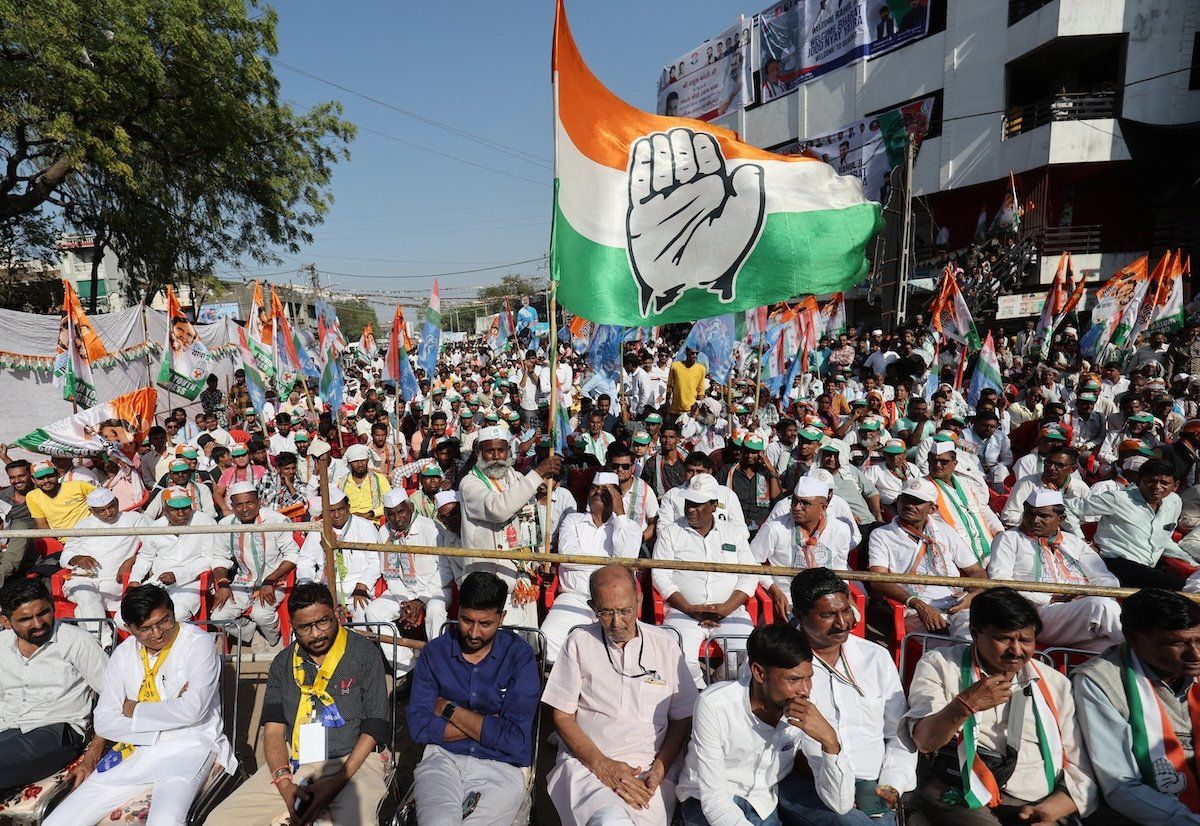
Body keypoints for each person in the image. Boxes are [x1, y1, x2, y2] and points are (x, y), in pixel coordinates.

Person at [46, 585, 236, 826]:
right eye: (145, 629)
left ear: (172, 611)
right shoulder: (123, 654)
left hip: (188, 747)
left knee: (166, 822)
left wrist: (133, 709)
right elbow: (104, 722)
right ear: (130, 628)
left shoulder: (198, 643)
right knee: (57, 822)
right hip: (135, 752)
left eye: (164, 621)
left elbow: (193, 710)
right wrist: (169, 712)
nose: (157, 633)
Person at [905, 587, 1096, 824]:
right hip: (962, 793)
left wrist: (1049, 811)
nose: (1016, 651)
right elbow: (925, 741)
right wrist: (965, 705)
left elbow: (1081, 768)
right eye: (1004, 639)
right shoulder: (940, 665)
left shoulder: (1055, 683)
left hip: (1040, 803)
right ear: (976, 634)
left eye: (1026, 640)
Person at [206, 583, 390, 825]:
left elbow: (375, 726)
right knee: (219, 820)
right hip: (296, 761)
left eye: (323, 622)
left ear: (335, 614)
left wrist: (334, 783)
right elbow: (273, 730)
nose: (316, 634)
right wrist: (284, 785)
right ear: (292, 626)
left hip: (355, 762)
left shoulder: (363, 653)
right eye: (305, 627)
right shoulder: (283, 663)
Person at [542, 566, 697, 825]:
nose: (617, 623)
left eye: (625, 611)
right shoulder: (579, 641)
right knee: (608, 820)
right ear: (592, 607)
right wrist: (602, 766)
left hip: (649, 772)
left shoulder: (665, 645)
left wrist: (660, 768)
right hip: (588, 766)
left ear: (639, 600)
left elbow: (683, 717)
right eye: (606, 612)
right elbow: (562, 714)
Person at [675, 623, 854, 824]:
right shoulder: (715, 705)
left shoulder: (807, 707)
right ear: (759, 673)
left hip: (767, 800)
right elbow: (714, 801)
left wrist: (830, 742)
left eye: (809, 678)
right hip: (705, 802)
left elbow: (841, 804)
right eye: (793, 680)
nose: (804, 690)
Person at [406, 571, 541, 824]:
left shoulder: (519, 656)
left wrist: (449, 709)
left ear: (502, 618)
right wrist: (489, 723)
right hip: (441, 760)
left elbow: (515, 739)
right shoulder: (435, 653)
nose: (474, 633)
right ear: (457, 611)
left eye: (485, 624)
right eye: (467, 620)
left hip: (501, 767)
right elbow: (419, 728)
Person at [782, 568, 916, 824]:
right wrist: (834, 780)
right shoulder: (780, 664)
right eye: (828, 615)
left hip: (872, 786)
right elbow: (774, 742)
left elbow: (898, 734)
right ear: (799, 615)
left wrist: (892, 783)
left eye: (846, 610)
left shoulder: (875, 657)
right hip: (809, 782)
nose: (843, 623)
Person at [1073, 588, 1200, 824]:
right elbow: (1120, 786)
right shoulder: (1099, 680)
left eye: (1199, 640)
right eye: (1177, 643)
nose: (1194, 654)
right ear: (1133, 639)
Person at [0, 580, 108, 791]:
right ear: (6, 621)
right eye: (26, 619)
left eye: (44, 613)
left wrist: (94, 752)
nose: (39, 624)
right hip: (6, 727)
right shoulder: (2, 646)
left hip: (56, 730)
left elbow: (115, 696)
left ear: (53, 605)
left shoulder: (77, 642)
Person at [653, 474, 759, 687]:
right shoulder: (670, 533)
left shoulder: (734, 533)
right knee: (679, 659)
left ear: (713, 506)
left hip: (729, 612)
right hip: (683, 611)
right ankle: (696, 699)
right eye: (688, 503)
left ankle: (720, 683)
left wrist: (725, 609)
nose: (691, 508)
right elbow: (660, 574)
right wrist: (690, 609)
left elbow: (750, 574)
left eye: (698, 504)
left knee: (744, 655)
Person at [988, 489, 1123, 652]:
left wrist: (1087, 594)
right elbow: (1000, 582)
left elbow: (1106, 579)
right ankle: (1142, 653)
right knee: (1103, 606)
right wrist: (1049, 599)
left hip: (1080, 610)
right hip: (1037, 613)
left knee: (1113, 649)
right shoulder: (1009, 539)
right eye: (1030, 514)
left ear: (1061, 519)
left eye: (1043, 516)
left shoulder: (1073, 542)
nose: (1035, 520)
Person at [458, 425, 561, 627]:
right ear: (479, 453)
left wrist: (540, 560)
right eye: (490, 451)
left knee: (526, 645)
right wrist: (537, 473)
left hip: (522, 581)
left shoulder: (517, 479)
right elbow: (498, 509)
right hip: (489, 585)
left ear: (508, 452)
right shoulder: (469, 484)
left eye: (501, 450)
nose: (497, 456)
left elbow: (531, 524)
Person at [868, 478, 988, 638]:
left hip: (957, 604)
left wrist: (974, 595)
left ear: (932, 508)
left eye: (917, 501)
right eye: (905, 499)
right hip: (915, 607)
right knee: (947, 644)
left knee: (978, 637)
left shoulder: (946, 531)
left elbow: (976, 571)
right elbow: (878, 579)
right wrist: (917, 604)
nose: (909, 505)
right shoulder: (882, 534)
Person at [543, 473, 642, 662]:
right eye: (595, 488)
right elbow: (568, 557)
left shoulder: (630, 527)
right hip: (575, 597)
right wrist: (611, 564)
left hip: (615, 602)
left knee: (617, 652)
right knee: (548, 640)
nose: (599, 492)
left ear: (617, 496)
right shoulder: (573, 520)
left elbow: (626, 560)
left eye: (606, 490)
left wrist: (620, 514)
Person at [1070, 458, 1190, 589]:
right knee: (1182, 587)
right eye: (1151, 481)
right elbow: (1067, 506)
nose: (1157, 487)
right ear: (1139, 481)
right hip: (1115, 564)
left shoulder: (1174, 502)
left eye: (1164, 483)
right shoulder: (1118, 499)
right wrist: (1082, 540)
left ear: (1175, 485)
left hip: (1147, 568)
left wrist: (1190, 561)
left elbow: (1163, 540)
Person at [364, 489, 447, 675]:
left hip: (435, 588)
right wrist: (408, 601)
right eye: (391, 514)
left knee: (435, 609)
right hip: (403, 591)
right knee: (374, 611)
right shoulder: (384, 531)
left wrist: (421, 600)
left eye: (401, 511)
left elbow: (444, 572)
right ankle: (406, 669)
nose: (396, 518)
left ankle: (438, 668)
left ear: (410, 508)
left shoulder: (431, 528)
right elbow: (389, 573)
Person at [210, 481, 300, 645]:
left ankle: (273, 639)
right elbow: (219, 557)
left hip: (275, 579)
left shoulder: (277, 521)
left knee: (262, 615)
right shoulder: (225, 525)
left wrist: (270, 580)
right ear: (232, 506)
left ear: (259, 502)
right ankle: (249, 634)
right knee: (218, 617)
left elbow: (293, 554)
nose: (245, 509)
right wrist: (223, 583)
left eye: (249, 503)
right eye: (239, 505)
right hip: (243, 581)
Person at [752, 477, 854, 619]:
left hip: (829, 599)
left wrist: (845, 593)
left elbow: (840, 566)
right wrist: (774, 590)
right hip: (789, 598)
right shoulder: (775, 528)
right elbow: (751, 562)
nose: (796, 507)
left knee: (845, 620)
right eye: (794, 501)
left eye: (804, 503)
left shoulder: (841, 529)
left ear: (823, 507)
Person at [60, 487, 145, 638]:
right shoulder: (83, 525)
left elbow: (153, 546)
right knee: (84, 590)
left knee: (82, 610)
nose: (108, 513)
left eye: (111, 507)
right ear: (92, 511)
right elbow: (65, 555)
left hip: (111, 584)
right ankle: (106, 639)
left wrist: (131, 560)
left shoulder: (134, 519)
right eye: (101, 510)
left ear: (117, 502)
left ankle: (101, 644)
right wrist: (77, 559)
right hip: (82, 579)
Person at [129, 486, 219, 622]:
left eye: (186, 507)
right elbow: (146, 557)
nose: (181, 513)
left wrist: (178, 575)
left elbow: (210, 559)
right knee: (127, 617)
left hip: (193, 581)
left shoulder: (205, 522)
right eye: (175, 509)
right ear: (164, 511)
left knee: (177, 614)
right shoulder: (155, 528)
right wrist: (134, 580)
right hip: (159, 581)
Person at [297, 489, 381, 623]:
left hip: (357, 586)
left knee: (362, 613)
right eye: (331, 511)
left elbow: (376, 561)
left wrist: (362, 584)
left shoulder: (365, 526)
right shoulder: (319, 528)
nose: (336, 515)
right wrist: (307, 585)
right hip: (325, 588)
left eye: (340, 509)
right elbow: (305, 560)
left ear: (348, 507)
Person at [927, 440, 1002, 566]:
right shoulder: (924, 487)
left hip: (986, 546)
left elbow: (982, 509)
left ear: (954, 464)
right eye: (933, 461)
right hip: (956, 553)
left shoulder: (966, 483)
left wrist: (999, 532)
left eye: (944, 462)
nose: (937, 465)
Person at [26, 460, 94, 536]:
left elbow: (104, 501)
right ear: (33, 480)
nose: (46, 481)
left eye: (50, 476)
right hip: (66, 541)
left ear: (57, 474)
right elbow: (43, 527)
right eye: (40, 478)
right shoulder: (32, 497)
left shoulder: (79, 486)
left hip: (92, 533)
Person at [338, 443, 391, 520]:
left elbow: (389, 504)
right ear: (350, 463)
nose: (360, 465)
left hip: (374, 521)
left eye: (362, 461)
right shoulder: (343, 482)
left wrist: (371, 513)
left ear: (367, 460)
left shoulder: (379, 479)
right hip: (350, 521)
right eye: (356, 462)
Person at [667, 348, 707, 417]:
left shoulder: (701, 369)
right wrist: (667, 403)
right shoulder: (675, 366)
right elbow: (670, 386)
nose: (694, 355)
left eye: (696, 353)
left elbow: (701, 390)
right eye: (692, 353)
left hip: (691, 412)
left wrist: (698, 411)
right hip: (675, 410)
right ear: (686, 353)